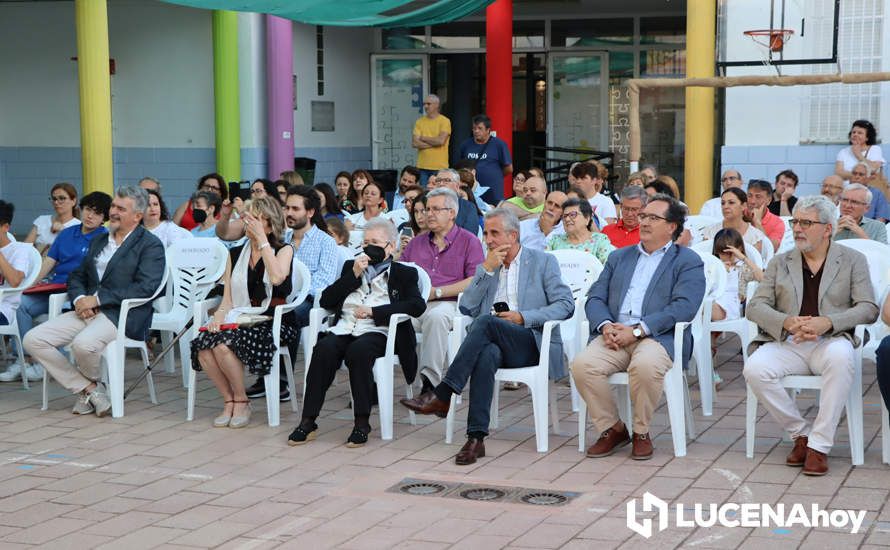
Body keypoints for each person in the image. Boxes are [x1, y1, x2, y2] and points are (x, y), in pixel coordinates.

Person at [400, 208, 574, 465]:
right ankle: (475, 439)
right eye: (487, 234)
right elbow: (466, 307)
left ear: (513, 236)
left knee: (485, 323)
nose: (488, 240)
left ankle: (444, 392)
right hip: (494, 341)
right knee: (486, 353)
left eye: (495, 234)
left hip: (531, 341)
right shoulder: (488, 266)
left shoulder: (542, 262)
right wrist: (484, 271)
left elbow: (565, 304)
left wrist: (523, 316)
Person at [745, 195, 878, 476]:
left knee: (841, 360)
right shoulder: (781, 262)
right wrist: (787, 321)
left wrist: (827, 322)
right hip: (788, 341)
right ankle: (801, 435)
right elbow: (755, 306)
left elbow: (868, 308)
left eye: (807, 222)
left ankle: (819, 446)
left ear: (828, 228)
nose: (797, 229)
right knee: (755, 369)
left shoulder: (853, 260)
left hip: (830, 341)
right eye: (795, 222)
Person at [571, 194, 705, 460]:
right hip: (615, 333)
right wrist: (606, 325)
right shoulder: (619, 257)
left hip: (657, 336)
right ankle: (613, 428)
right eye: (643, 216)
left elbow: (684, 307)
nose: (643, 221)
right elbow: (595, 296)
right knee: (582, 366)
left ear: (671, 226)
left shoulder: (687, 261)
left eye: (653, 218)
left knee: (644, 367)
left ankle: (641, 431)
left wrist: (638, 330)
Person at [23, 186, 166, 417]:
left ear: (137, 216)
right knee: (34, 339)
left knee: (82, 344)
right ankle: (91, 388)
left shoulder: (150, 245)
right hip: (86, 311)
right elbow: (78, 275)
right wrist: (80, 298)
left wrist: (97, 300)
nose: (113, 212)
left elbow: (145, 287)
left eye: (121, 208)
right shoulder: (100, 239)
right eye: (113, 206)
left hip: (121, 314)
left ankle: (90, 390)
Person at [287, 219, 426, 447]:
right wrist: (352, 275)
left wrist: (375, 311)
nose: (368, 247)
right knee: (323, 349)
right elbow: (328, 300)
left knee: (359, 351)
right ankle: (308, 420)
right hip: (345, 327)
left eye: (375, 242)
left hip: (380, 331)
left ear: (390, 246)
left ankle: (362, 422)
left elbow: (416, 306)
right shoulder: (351, 267)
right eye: (365, 242)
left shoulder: (404, 273)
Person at [189, 196, 298, 428]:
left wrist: (262, 241)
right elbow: (227, 299)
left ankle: (242, 400)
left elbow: (278, 277)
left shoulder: (284, 249)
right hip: (241, 317)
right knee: (203, 346)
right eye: (248, 218)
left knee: (222, 345)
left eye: (256, 219)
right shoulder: (236, 254)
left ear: (269, 223)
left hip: (272, 320)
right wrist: (217, 318)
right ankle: (229, 400)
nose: (248, 223)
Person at [1, 193, 112, 383]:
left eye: (97, 213)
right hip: (54, 288)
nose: (90, 216)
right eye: (87, 210)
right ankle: (26, 361)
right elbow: (48, 263)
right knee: (21, 304)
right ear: (81, 209)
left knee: (55, 308)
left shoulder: (104, 237)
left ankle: (50, 365)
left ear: (104, 218)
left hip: (81, 293)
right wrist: (30, 285)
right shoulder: (67, 233)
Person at [245, 186, 340, 401]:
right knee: (262, 315)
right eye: (287, 207)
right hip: (277, 296)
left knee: (288, 314)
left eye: (295, 208)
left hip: (311, 301)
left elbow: (323, 282)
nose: (289, 213)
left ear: (310, 212)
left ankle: (280, 381)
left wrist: (295, 294)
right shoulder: (280, 237)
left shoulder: (325, 241)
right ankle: (265, 375)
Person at [399, 188, 485, 391]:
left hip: (452, 303)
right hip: (417, 304)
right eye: (427, 209)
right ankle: (374, 382)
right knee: (388, 318)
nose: (429, 214)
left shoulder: (469, 241)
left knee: (436, 317)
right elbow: (401, 273)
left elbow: (475, 280)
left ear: (452, 213)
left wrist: (437, 292)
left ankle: (430, 386)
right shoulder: (416, 243)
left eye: (436, 209)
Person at [457, 114, 513, 204]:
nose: (476, 131)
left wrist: (495, 176)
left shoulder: (499, 145)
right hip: (471, 190)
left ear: (488, 130)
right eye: (474, 128)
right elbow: (460, 166)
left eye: (480, 128)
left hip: (493, 190)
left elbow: (509, 168)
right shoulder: (465, 145)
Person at [546, 198, 615, 265]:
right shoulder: (555, 241)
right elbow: (545, 266)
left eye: (573, 215)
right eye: (564, 216)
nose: (567, 219)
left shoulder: (600, 241)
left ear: (587, 218)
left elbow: (607, 269)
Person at [702, 188, 766, 254]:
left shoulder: (755, 236)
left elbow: (755, 262)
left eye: (731, 203)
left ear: (743, 206)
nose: (725, 206)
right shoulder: (710, 231)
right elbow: (706, 258)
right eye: (723, 203)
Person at [25, 183, 81, 254]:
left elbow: (77, 252)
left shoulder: (79, 226)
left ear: (73, 201)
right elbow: (25, 247)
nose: (56, 202)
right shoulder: (41, 220)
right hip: (38, 262)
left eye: (62, 198)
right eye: (54, 199)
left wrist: (64, 231)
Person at [413, 95, 451, 186]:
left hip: (439, 167)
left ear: (436, 105)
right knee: (424, 195)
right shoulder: (419, 122)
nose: (425, 106)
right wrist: (435, 143)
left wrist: (423, 138)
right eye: (424, 104)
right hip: (422, 166)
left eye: (428, 104)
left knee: (439, 191)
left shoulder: (445, 121)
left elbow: (441, 141)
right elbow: (414, 143)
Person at [428, 169, 481, 234]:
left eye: (447, 180)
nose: (441, 184)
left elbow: (470, 235)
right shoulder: (427, 204)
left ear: (457, 186)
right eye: (438, 181)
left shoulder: (468, 207)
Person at [746, 180, 784, 251]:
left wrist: (757, 222)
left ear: (769, 200)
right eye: (749, 196)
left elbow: (770, 250)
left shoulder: (777, 223)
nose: (752, 201)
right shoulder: (739, 215)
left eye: (758, 197)